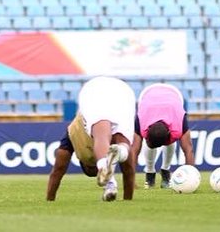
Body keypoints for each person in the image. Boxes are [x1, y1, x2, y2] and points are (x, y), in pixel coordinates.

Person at [46, 75, 136, 203]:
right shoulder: (72, 133)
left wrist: (50, 200)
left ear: (83, 161)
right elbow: (129, 170)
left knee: (104, 136)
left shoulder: (73, 136)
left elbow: (58, 169)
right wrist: (127, 200)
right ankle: (119, 153)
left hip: (97, 90)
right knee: (119, 141)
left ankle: (109, 181)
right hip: (121, 91)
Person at [131, 82, 195, 189]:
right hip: (148, 94)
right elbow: (134, 151)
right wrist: (130, 180)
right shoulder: (141, 119)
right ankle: (149, 172)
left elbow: (188, 150)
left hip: (173, 95)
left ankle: (165, 170)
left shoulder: (179, 121)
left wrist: (190, 179)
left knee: (172, 138)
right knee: (155, 139)